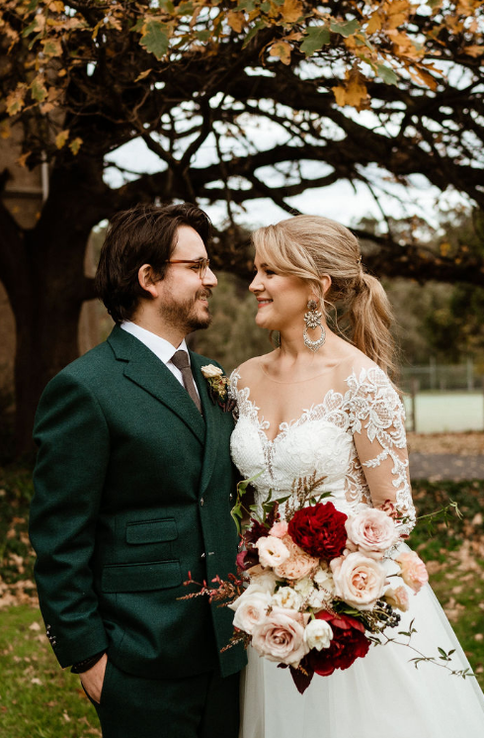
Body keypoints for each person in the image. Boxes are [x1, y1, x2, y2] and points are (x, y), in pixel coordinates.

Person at [229, 214, 484, 738]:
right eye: (256, 271)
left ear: (316, 287)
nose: (254, 285)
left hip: (345, 612)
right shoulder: (242, 379)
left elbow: (396, 513)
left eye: (269, 272)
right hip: (267, 605)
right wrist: (276, 583)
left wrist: (328, 591)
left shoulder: (361, 382)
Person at [29, 203, 245, 738]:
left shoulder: (212, 377)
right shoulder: (84, 389)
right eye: (194, 267)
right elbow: (59, 541)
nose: (211, 279)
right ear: (149, 278)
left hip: (229, 650)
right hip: (140, 660)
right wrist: (88, 660)